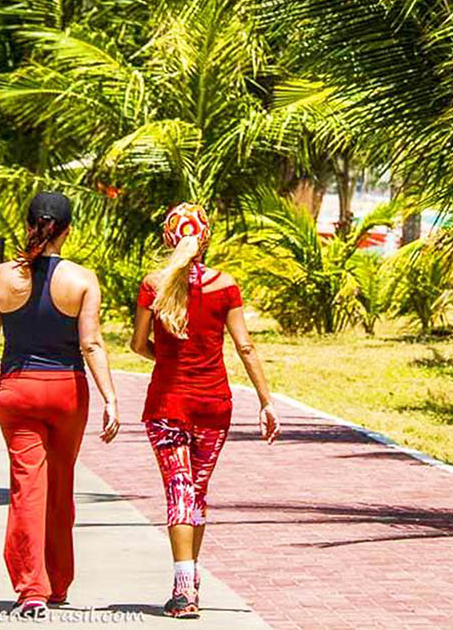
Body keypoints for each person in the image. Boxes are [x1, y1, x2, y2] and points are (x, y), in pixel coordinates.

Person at [130, 202, 280, 618]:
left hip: (166, 403)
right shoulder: (225, 285)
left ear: (167, 239)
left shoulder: (153, 284)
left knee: (178, 491)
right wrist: (266, 401)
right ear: (205, 239)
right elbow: (245, 346)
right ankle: (190, 578)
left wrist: (170, 357)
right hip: (215, 405)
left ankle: (183, 589)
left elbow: (138, 345)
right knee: (195, 491)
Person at [0, 192, 120, 616]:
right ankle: (58, 583)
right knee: (60, 486)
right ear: (68, 230)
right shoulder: (82, 279)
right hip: (67, 392)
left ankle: (31, 589)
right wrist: (111, 397)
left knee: (27, 487)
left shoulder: (1, 277)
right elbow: (90, 343)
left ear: (27, 225)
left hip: (18, 390)